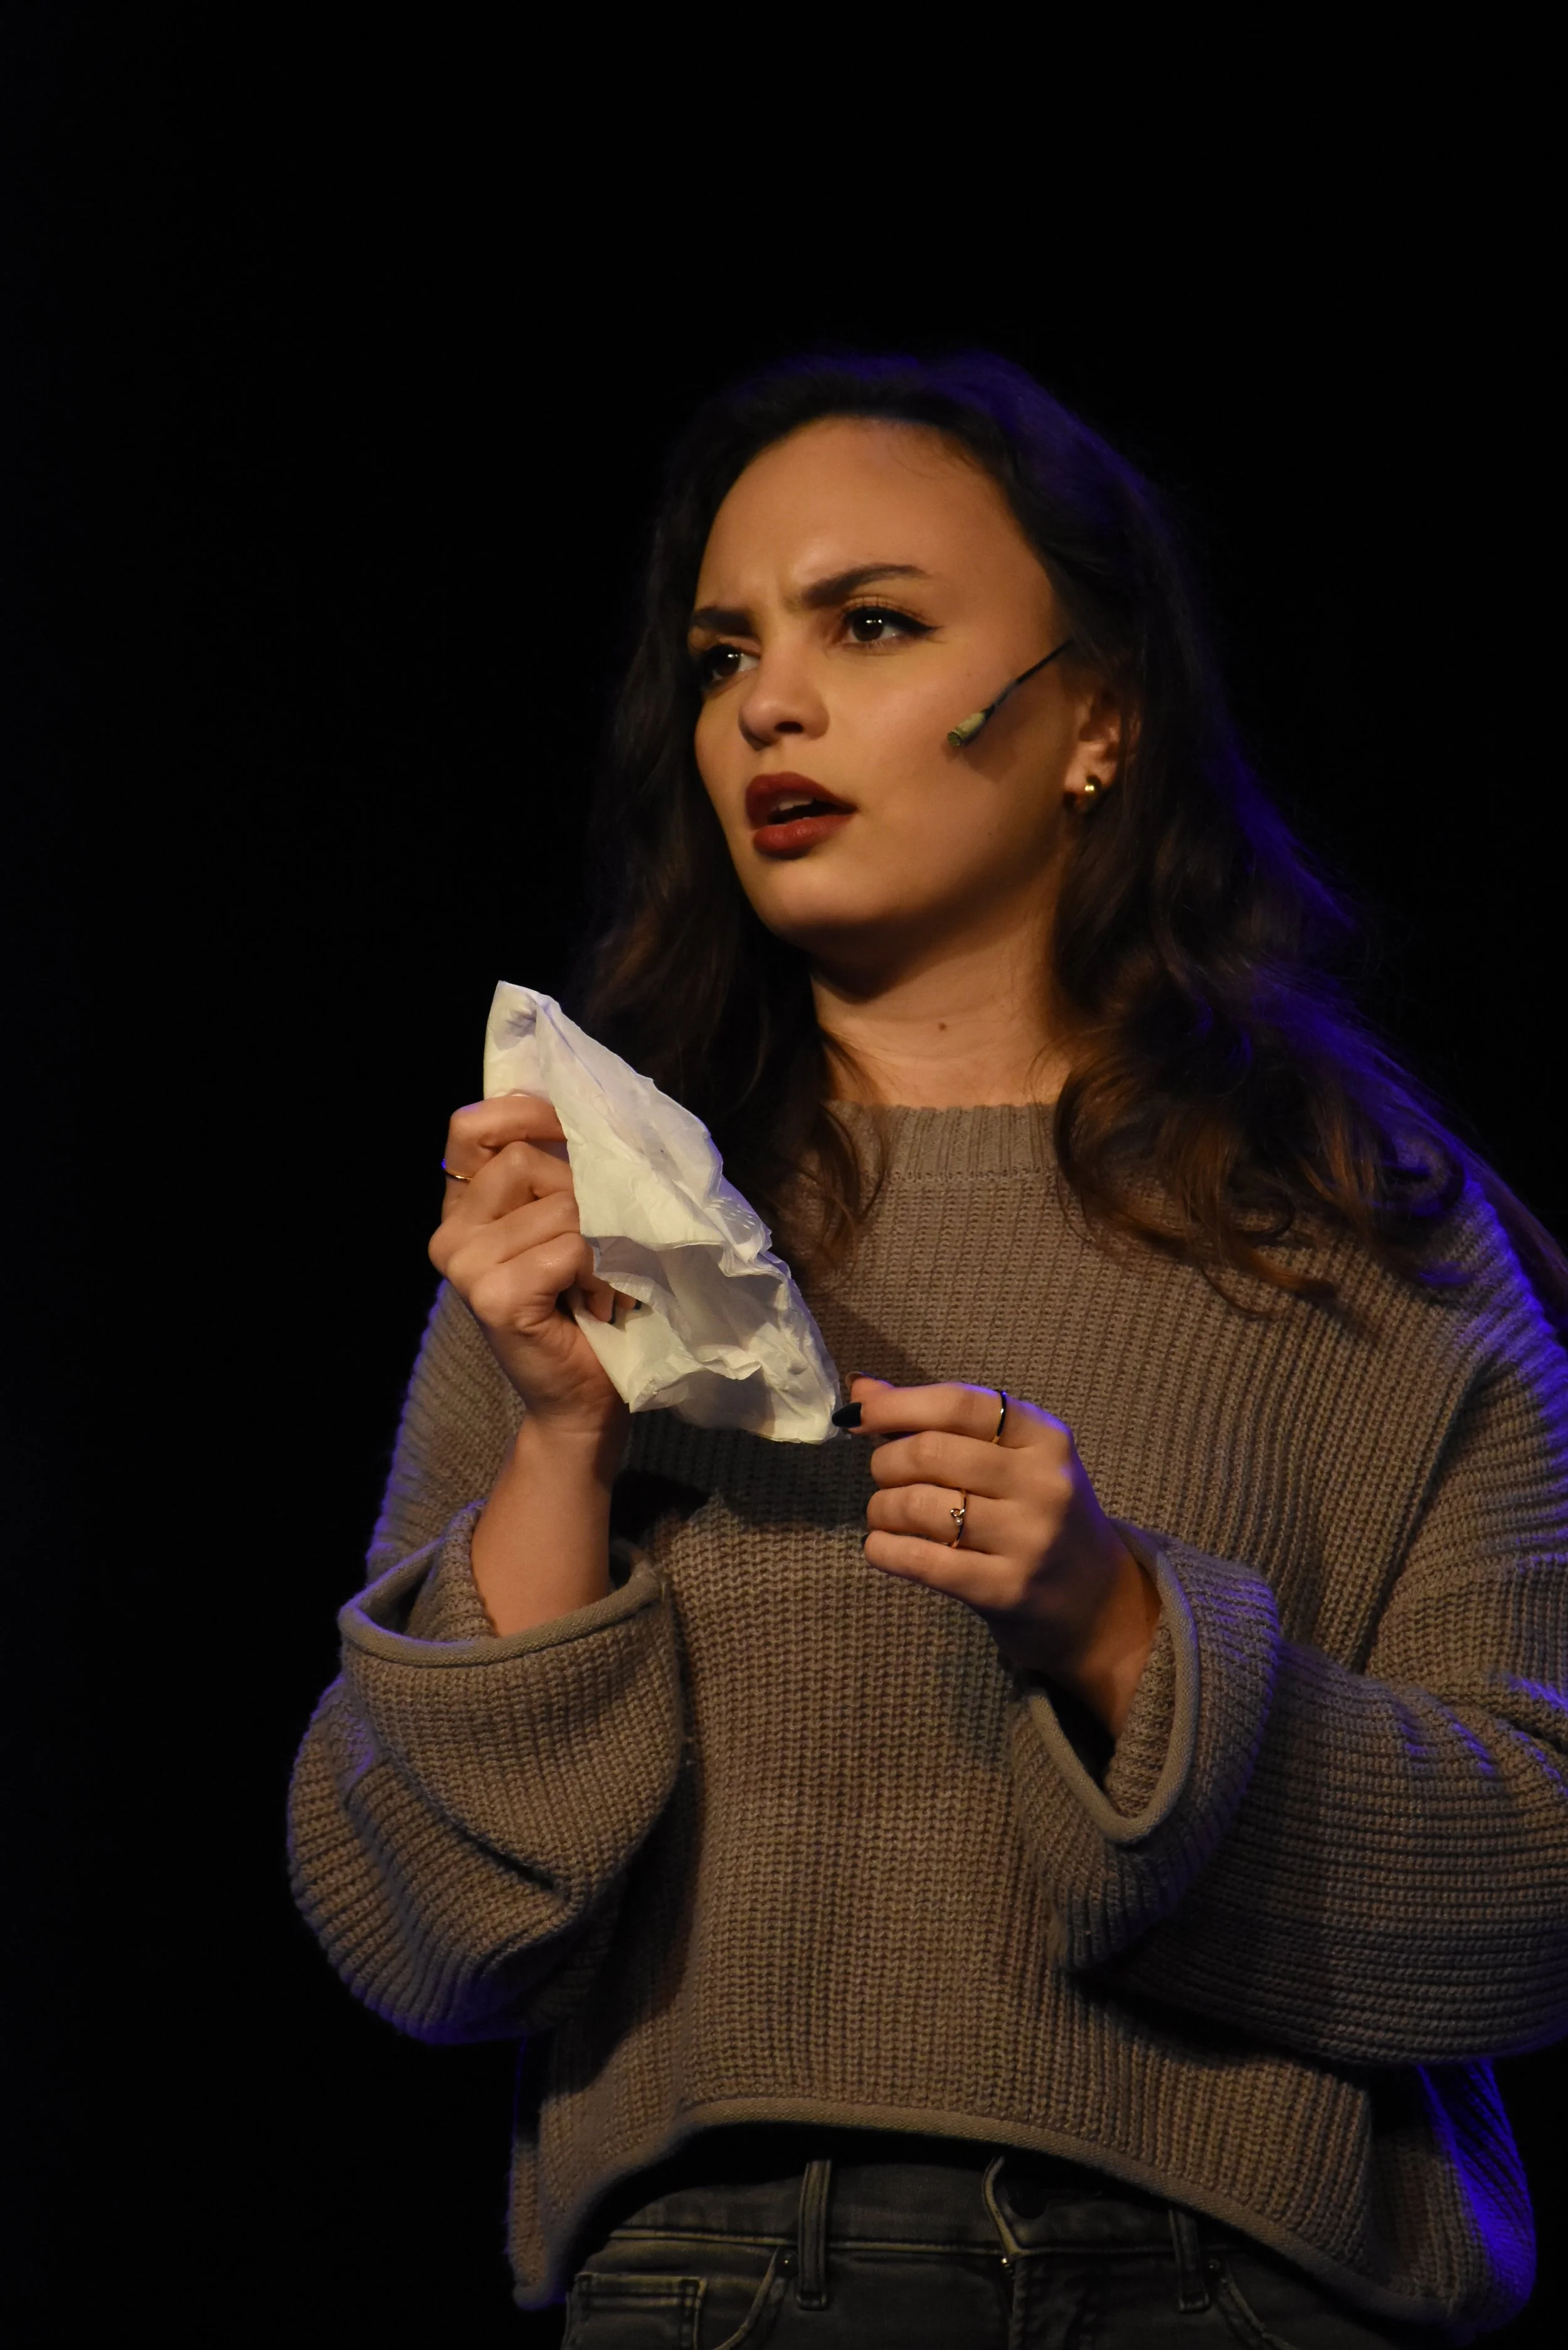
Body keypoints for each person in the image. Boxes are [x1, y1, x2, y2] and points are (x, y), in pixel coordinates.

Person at [288, 353, 1568, 2347]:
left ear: (1095, 719)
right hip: (712, 2284)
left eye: (867, 625)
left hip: (1235, 2290)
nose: (768, 708)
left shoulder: (1365, 1225)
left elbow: (1533, 1891)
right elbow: (423, 1934)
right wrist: (553, 1450)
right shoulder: (613, 1218)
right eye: (725, 655)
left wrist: (1123, 1631)